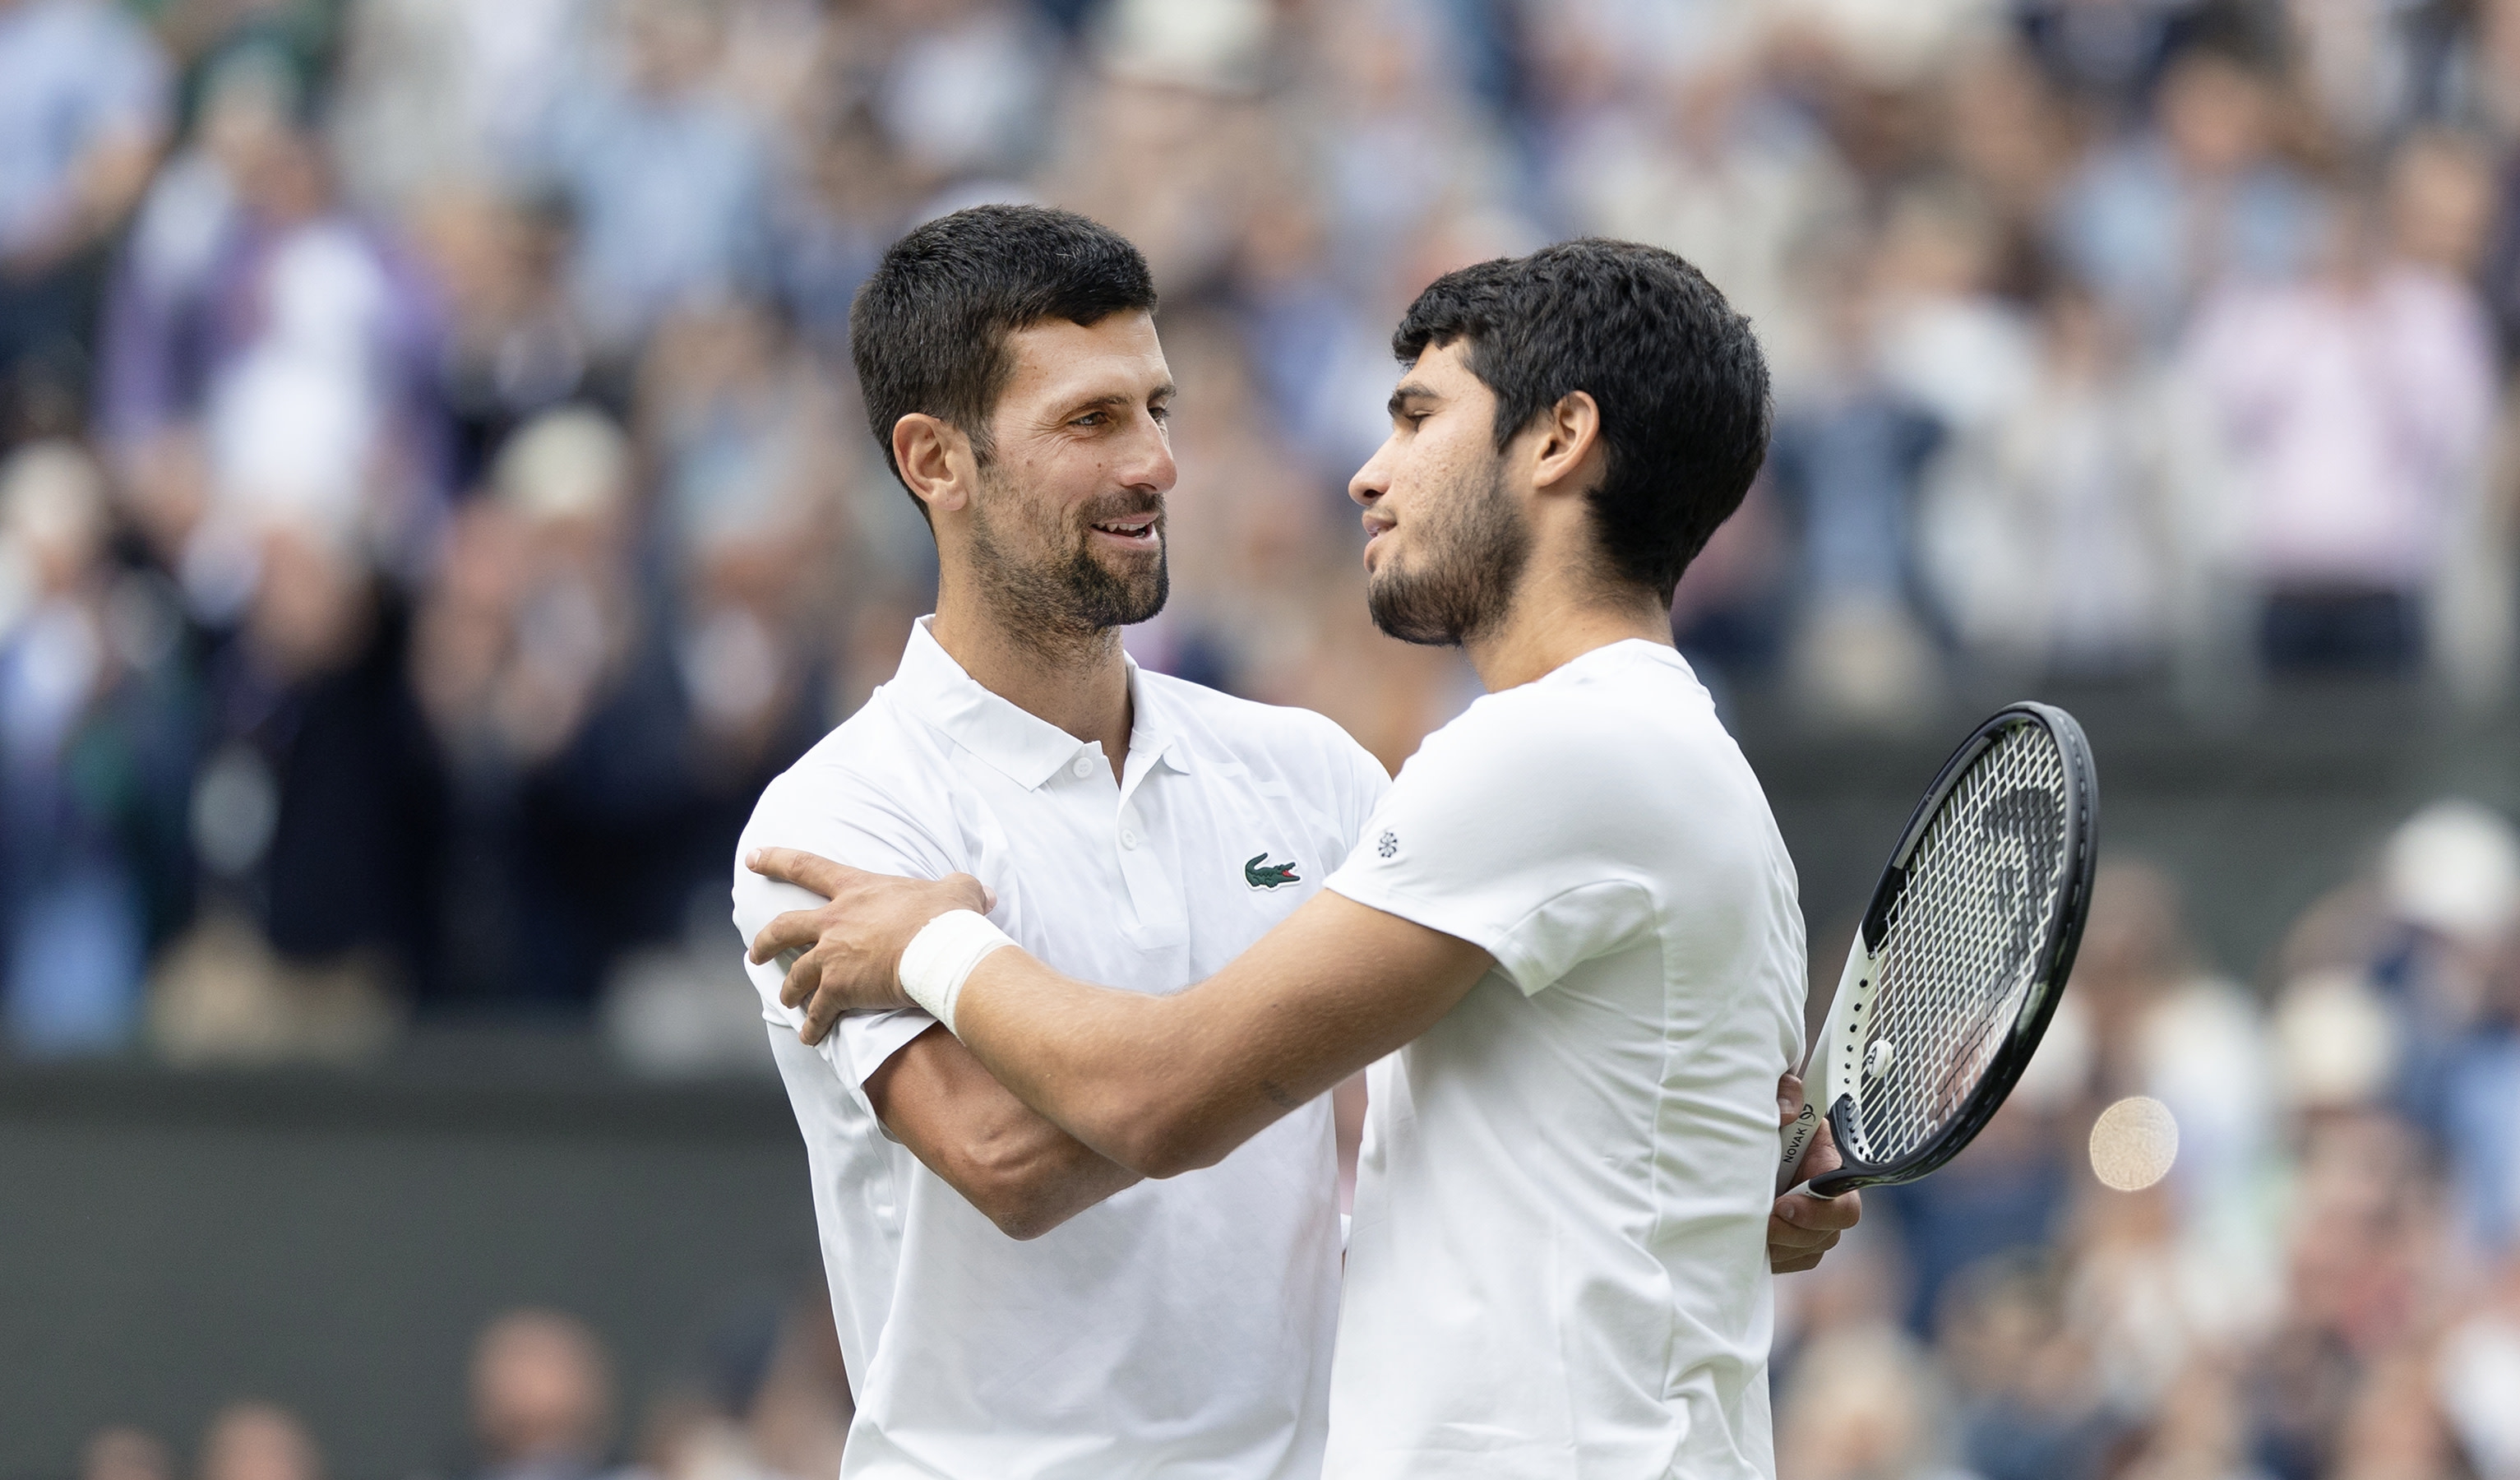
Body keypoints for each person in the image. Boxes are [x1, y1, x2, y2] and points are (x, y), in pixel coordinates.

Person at [730, 208, 1853, 1479]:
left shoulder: (1330, 772)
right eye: (1093, 421)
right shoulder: (831, 824)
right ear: (936, 461)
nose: (1156, 461)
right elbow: (1006, 1157)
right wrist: (1681, 1162)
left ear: (1561, 440)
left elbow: (1190, 1094)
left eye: (1159, 409)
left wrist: (936, 943)